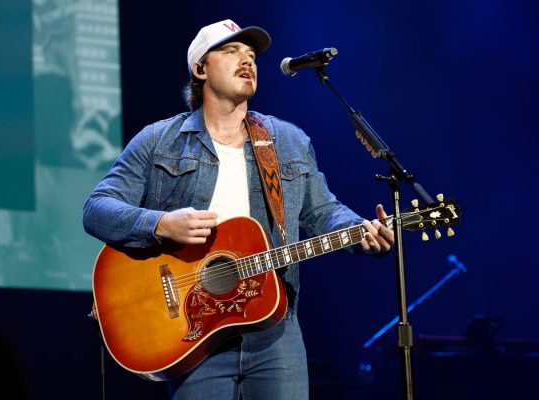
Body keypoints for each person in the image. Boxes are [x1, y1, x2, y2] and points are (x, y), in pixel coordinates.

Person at [83, 18, 394, 400]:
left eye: (251, 55)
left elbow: (322, 211)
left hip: (274, 331)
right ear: (200, 69)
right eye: (231, 51)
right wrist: (161, 223)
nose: (247, 60)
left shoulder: (288, 141)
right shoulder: (159, 140)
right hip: (193, 334)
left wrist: (361, 231)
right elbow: (96, 209)